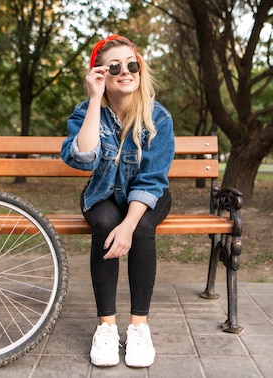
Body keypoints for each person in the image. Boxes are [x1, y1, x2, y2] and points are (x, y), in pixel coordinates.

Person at [60, 35, 174, 368]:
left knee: (138, 230)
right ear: (101, 73)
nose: (126, 72)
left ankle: (139, 326)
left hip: (149, 195)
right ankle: (106, 327)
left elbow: (152, 179)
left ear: (141, 69)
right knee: (107, 223)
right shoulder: (85, 112)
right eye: (115, 66)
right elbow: (82, 159)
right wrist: (95, 100)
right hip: (103, 194)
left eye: (132, 64)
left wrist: (130, 223)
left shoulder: (158, 117)